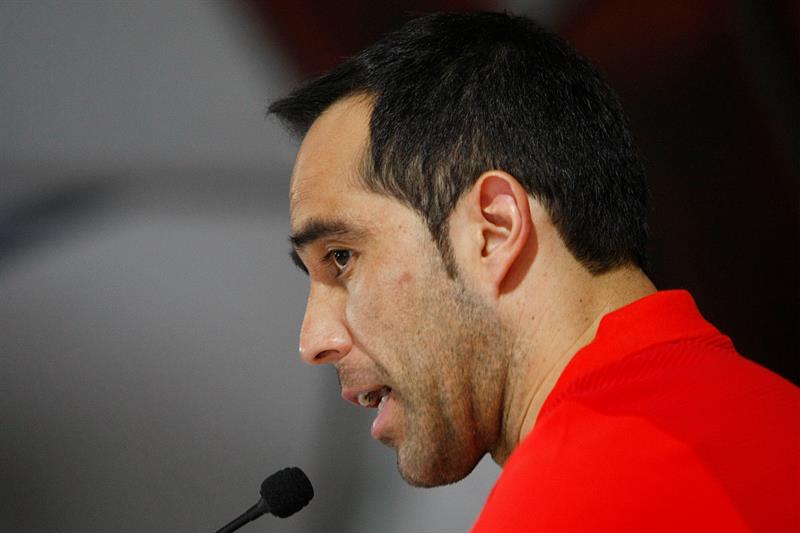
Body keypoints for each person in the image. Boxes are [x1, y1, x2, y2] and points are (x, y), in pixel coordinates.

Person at [269, 11, 799, 532]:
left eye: (341, 257)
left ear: (494, 230)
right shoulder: (775, 417)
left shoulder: (572, 501)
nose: (313, 341)